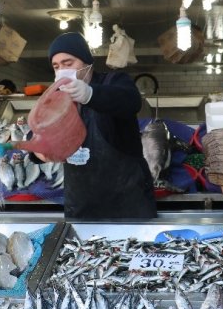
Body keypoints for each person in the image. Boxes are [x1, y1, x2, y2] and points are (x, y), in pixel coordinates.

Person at [43, 32, 156, 219]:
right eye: (56, 66)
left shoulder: (115, 81)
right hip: (81, 209)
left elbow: (131, 101)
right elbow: (39, 134)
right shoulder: (56, 99)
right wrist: (38, 151)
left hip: (127, 208)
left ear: (87, 62)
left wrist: (90, 95)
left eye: (68, 63)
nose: (62, 70)